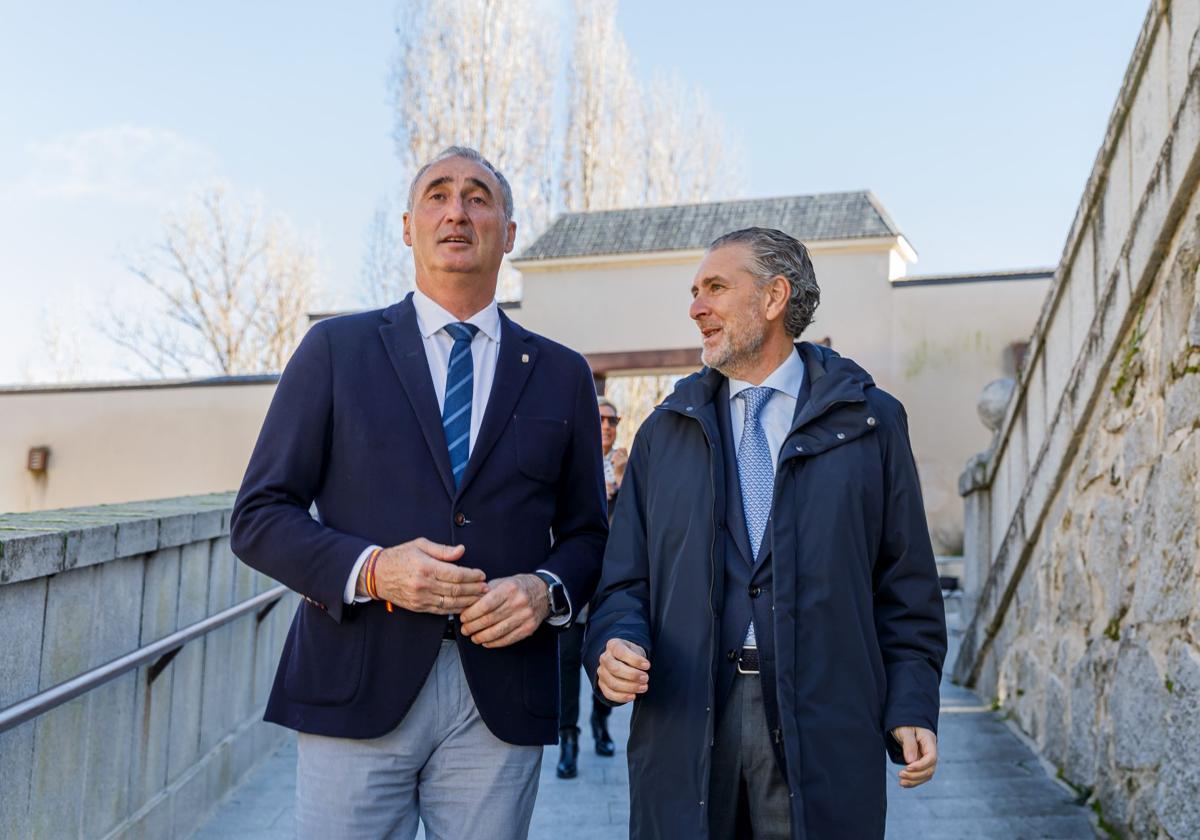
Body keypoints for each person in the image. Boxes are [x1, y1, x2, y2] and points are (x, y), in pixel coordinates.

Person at [231, 146, 608, 840]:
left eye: (477, 196)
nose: (457, 211)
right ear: (407, 226)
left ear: (509, 233)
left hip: (501, 694)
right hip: (355, 682)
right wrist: (374, 570)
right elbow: (258, 516)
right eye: (437, 194)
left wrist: (547, 590)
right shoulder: (334, 352)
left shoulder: (561, 374)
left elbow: (592, 533)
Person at [584, 227, 947, 839]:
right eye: (695, 291)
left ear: (775, 297)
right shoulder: (662, 434)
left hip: (825, 720)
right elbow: (624, 582)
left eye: (716, 288)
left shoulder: (871, 424)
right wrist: (615, 641)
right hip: (686, 721)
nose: (696, 307)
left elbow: (906, 585)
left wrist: (911, 703)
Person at [554, 397, 625, 778]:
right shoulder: (571, 465)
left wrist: (623, 482)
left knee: (605, 666)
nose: (606, 426)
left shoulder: (628, 468)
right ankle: (569, 740)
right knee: (565, 667)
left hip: (610, 591)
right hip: (573, 589)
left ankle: (601, 721)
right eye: (599, 419)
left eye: (613, 420)